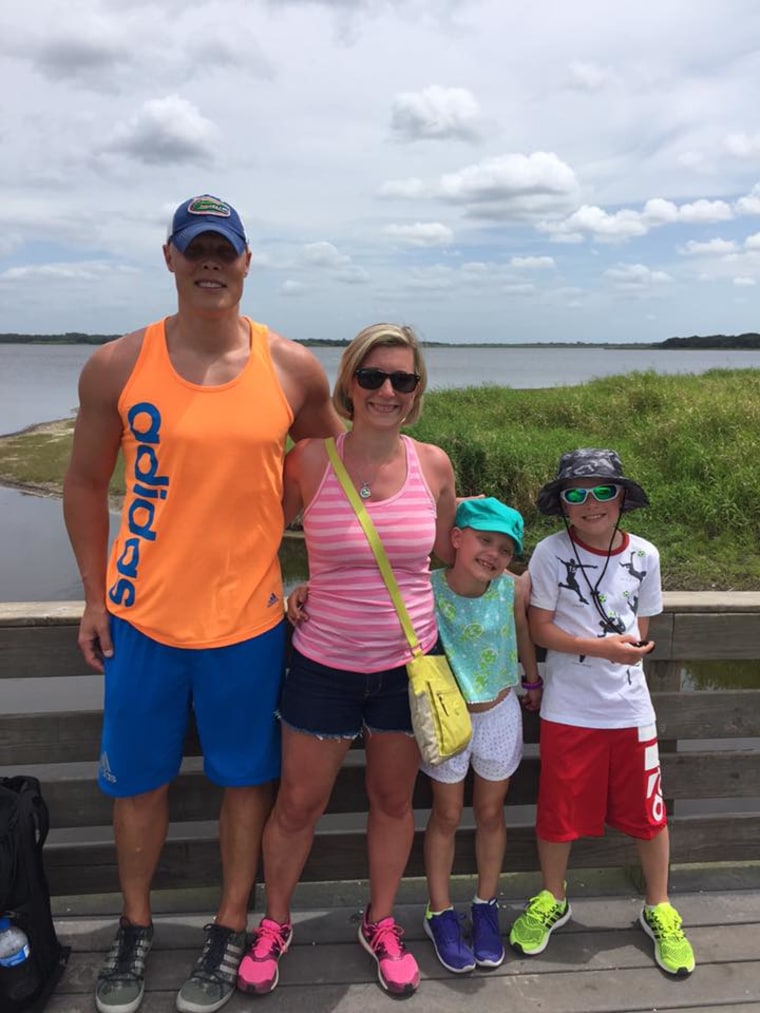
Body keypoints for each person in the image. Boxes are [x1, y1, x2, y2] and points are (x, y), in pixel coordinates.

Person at [62, 194, 343, 1013]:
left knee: (244, 780)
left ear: (249, 262)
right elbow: (82, 483)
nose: (211, 264)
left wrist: (319, 557)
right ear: (171, 258)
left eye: (225, 250)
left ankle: (228, 925)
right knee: (138, 785)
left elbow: (332, 458)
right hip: (141, 620)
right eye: (197, 250)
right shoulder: (116, 364)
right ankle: (135, 923)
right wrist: (91, 598)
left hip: (250, 625)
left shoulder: (292, 366)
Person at [235, 323, 457, 999]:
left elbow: (447, 555)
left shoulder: (435, 465)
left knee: (393, 801)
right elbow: (255, 539)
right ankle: (275, 923)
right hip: (323, 664)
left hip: (409, 665)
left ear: (416, 392)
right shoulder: (307, 460)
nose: (387, 391)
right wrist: (291, 592)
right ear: (349, 383)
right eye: (373, 377)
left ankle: (381, 920)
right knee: (298, 803)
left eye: (403, 379)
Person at [508, 448, 696, 977]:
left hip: (631, 708)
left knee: (649, 813)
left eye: (601, 491)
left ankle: (658, 906)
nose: (590, 504)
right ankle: (553, 897)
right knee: (558, 812)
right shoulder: (548, 553)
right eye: (575, 494)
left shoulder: (646, 556)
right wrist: (603, 648)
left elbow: (643, 629)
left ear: (621, 499)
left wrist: (625, 650)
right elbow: (541, 628)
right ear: (563, 506)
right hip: (569, 708)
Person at [421, 497, 541, 974]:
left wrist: (531, 678)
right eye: (484, 540)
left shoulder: (509, 590)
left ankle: (486, 905)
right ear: (456, 538)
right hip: (447, 716)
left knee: (491, 813)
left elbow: (523, 631)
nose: (492, 554)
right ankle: (440, 911)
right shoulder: (426, 588)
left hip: (499, 712)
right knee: (446, 814)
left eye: (505, 549)